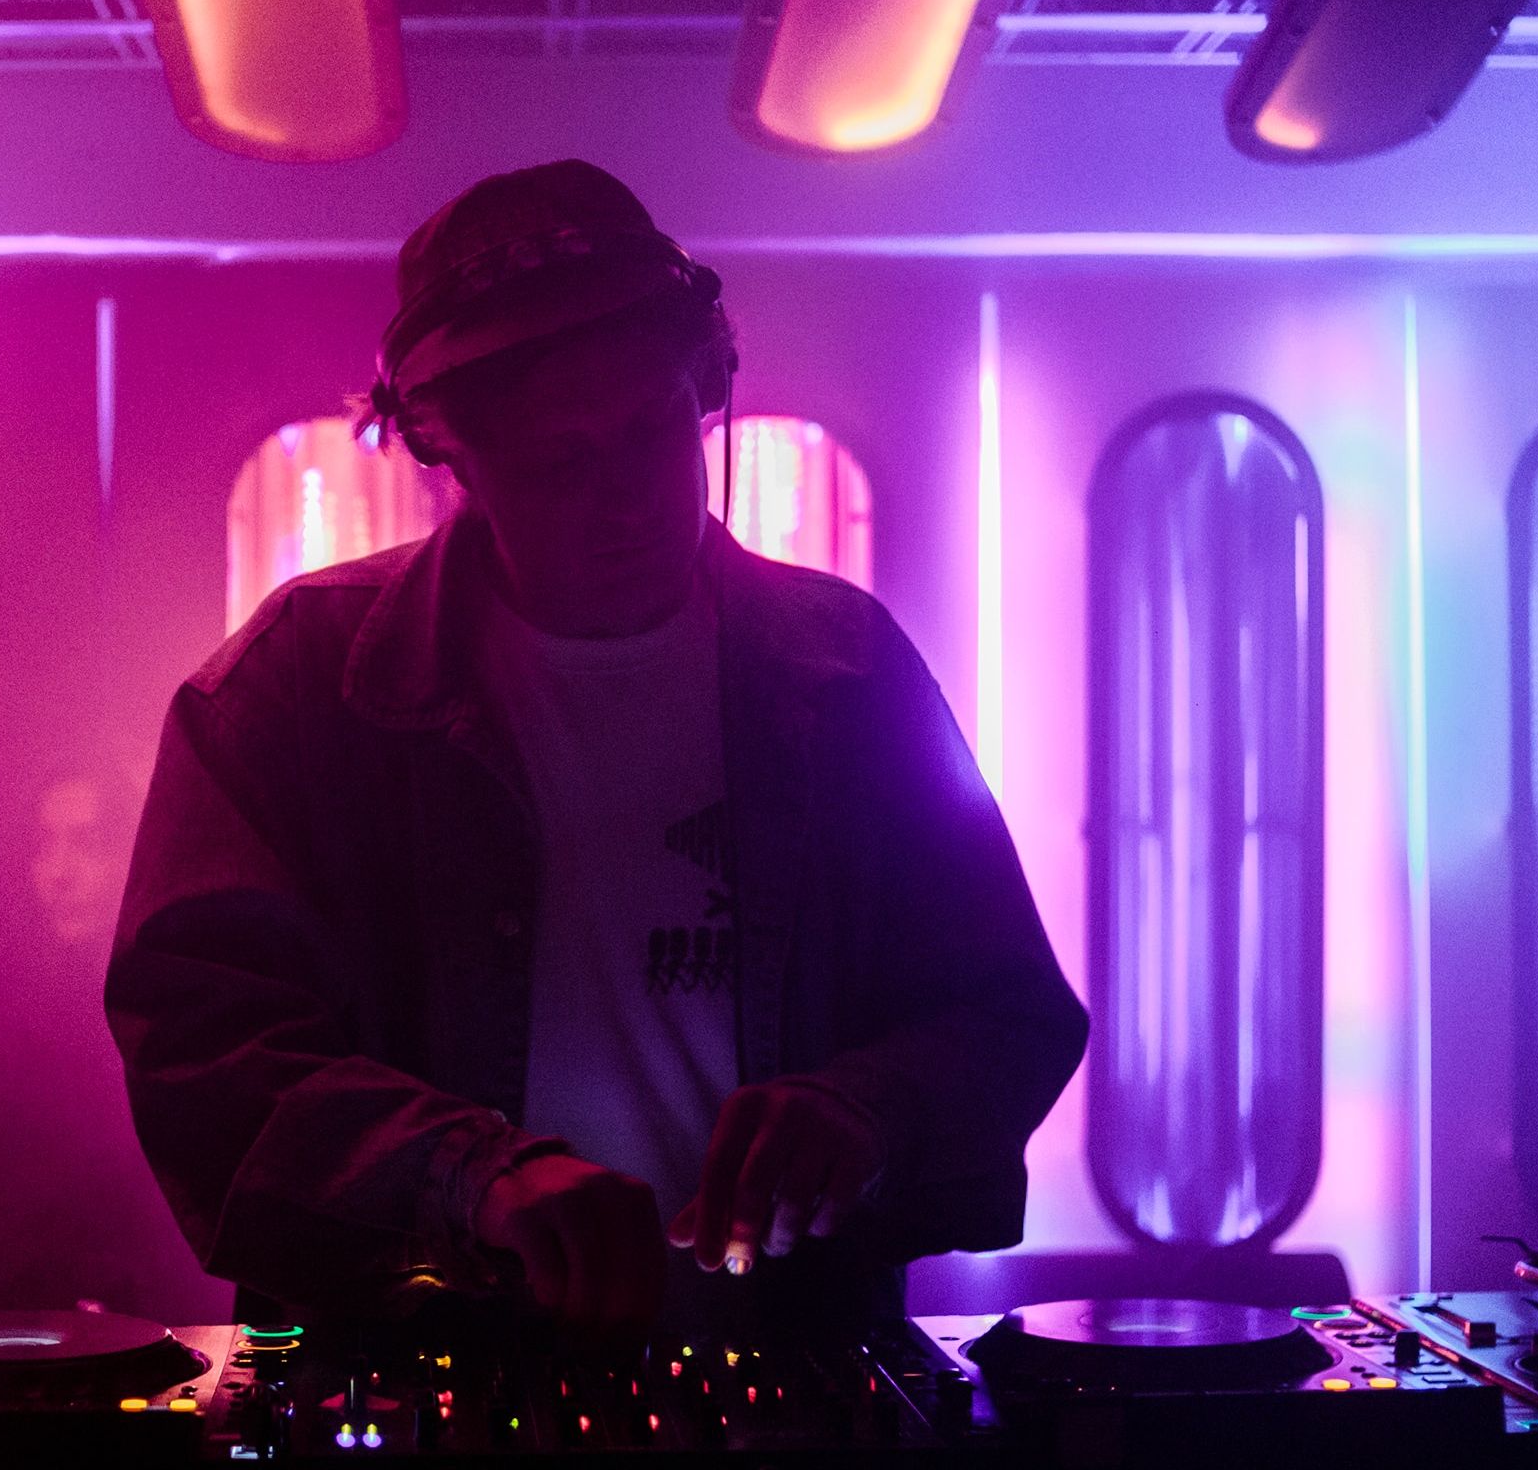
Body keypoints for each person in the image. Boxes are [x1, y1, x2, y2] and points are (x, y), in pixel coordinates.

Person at [107, 161, 1086, 1335]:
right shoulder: (293, 688)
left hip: (759, 1376)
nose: (617, 497)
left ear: (708, 387)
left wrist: (865, 1110)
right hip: (447, 1383)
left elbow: (1004, 1011)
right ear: (451, 458)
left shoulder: (853, 671)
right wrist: (473, 1177)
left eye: (646, 435)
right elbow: (204, 1049)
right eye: (554, 464)